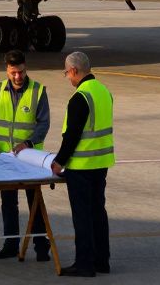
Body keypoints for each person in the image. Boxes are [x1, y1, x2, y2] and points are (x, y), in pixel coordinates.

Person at [50, 51, 114, 277]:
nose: (68, 77)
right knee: (98, 212)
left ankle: (84, 263)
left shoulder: (80, 97)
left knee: (82, 216)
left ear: (74, 71)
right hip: (101, 163)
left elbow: (72, 135)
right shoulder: (104, 91)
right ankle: (101, 261)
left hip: (82, 167)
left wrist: (59, 161)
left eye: (67, 73)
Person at [0, 49, 51, 261]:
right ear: (7, 70)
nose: (17, 77)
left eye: (20, 72)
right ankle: (11, 244)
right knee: (8, 203)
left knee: (35, 202)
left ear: (25, 68)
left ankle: (41, 246)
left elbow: (44, 123)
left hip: (30, 159)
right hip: (5, 157)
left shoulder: (38, 91)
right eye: (13, 72)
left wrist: (28, 143)